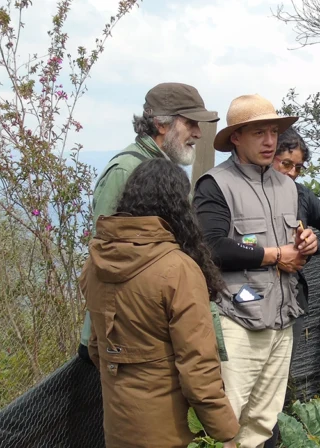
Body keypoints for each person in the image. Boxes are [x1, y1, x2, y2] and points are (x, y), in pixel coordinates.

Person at [81, 159, 239, 448]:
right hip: (169, 430)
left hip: (118, 423)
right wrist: (226, 431)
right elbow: (198, 369)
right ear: (179, 207)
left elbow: (96, 347)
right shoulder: (178, 269)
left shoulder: (96, 262)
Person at [193, 94, 315, 448]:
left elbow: (296, 238)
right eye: (259, 133)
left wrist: (306, 240)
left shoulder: (287, 185)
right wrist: (277, 255)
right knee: (227, 422)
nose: (269, 141)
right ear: (236, 137)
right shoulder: (215, 184)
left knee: (263, 422)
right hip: (237, 319)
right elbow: (211, 247)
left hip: (281, 320)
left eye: (273, 132)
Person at [78, 82, 219, 363]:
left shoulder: (168, 170)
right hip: (120, 338)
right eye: (191, 123)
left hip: (149, 332)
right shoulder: (125, 170)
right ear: (161, 124)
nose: (198, 133)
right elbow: (105, 255)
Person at [264, 126, 320, 448]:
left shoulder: (301, 195)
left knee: (279, 381)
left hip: (291, 299)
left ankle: (274, 440)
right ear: (269, 158)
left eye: (298, 167)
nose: (292, 173)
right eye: (286, 164)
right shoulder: (250, 193)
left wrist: (315, 245)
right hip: (249, 300)